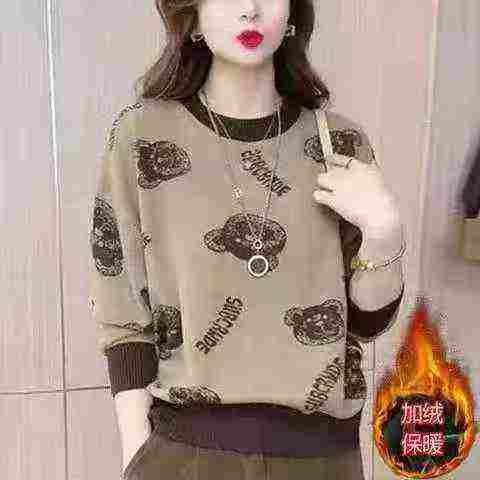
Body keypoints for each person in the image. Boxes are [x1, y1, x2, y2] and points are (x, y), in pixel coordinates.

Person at [88, 1, 406, 478]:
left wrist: (384, 233)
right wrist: (137, 458)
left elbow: (365, 322)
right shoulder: (142, 136)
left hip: (320, 458)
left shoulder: (339, 143)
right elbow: (123, 315)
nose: (250, 9)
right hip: (187, 456)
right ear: (193, 14)